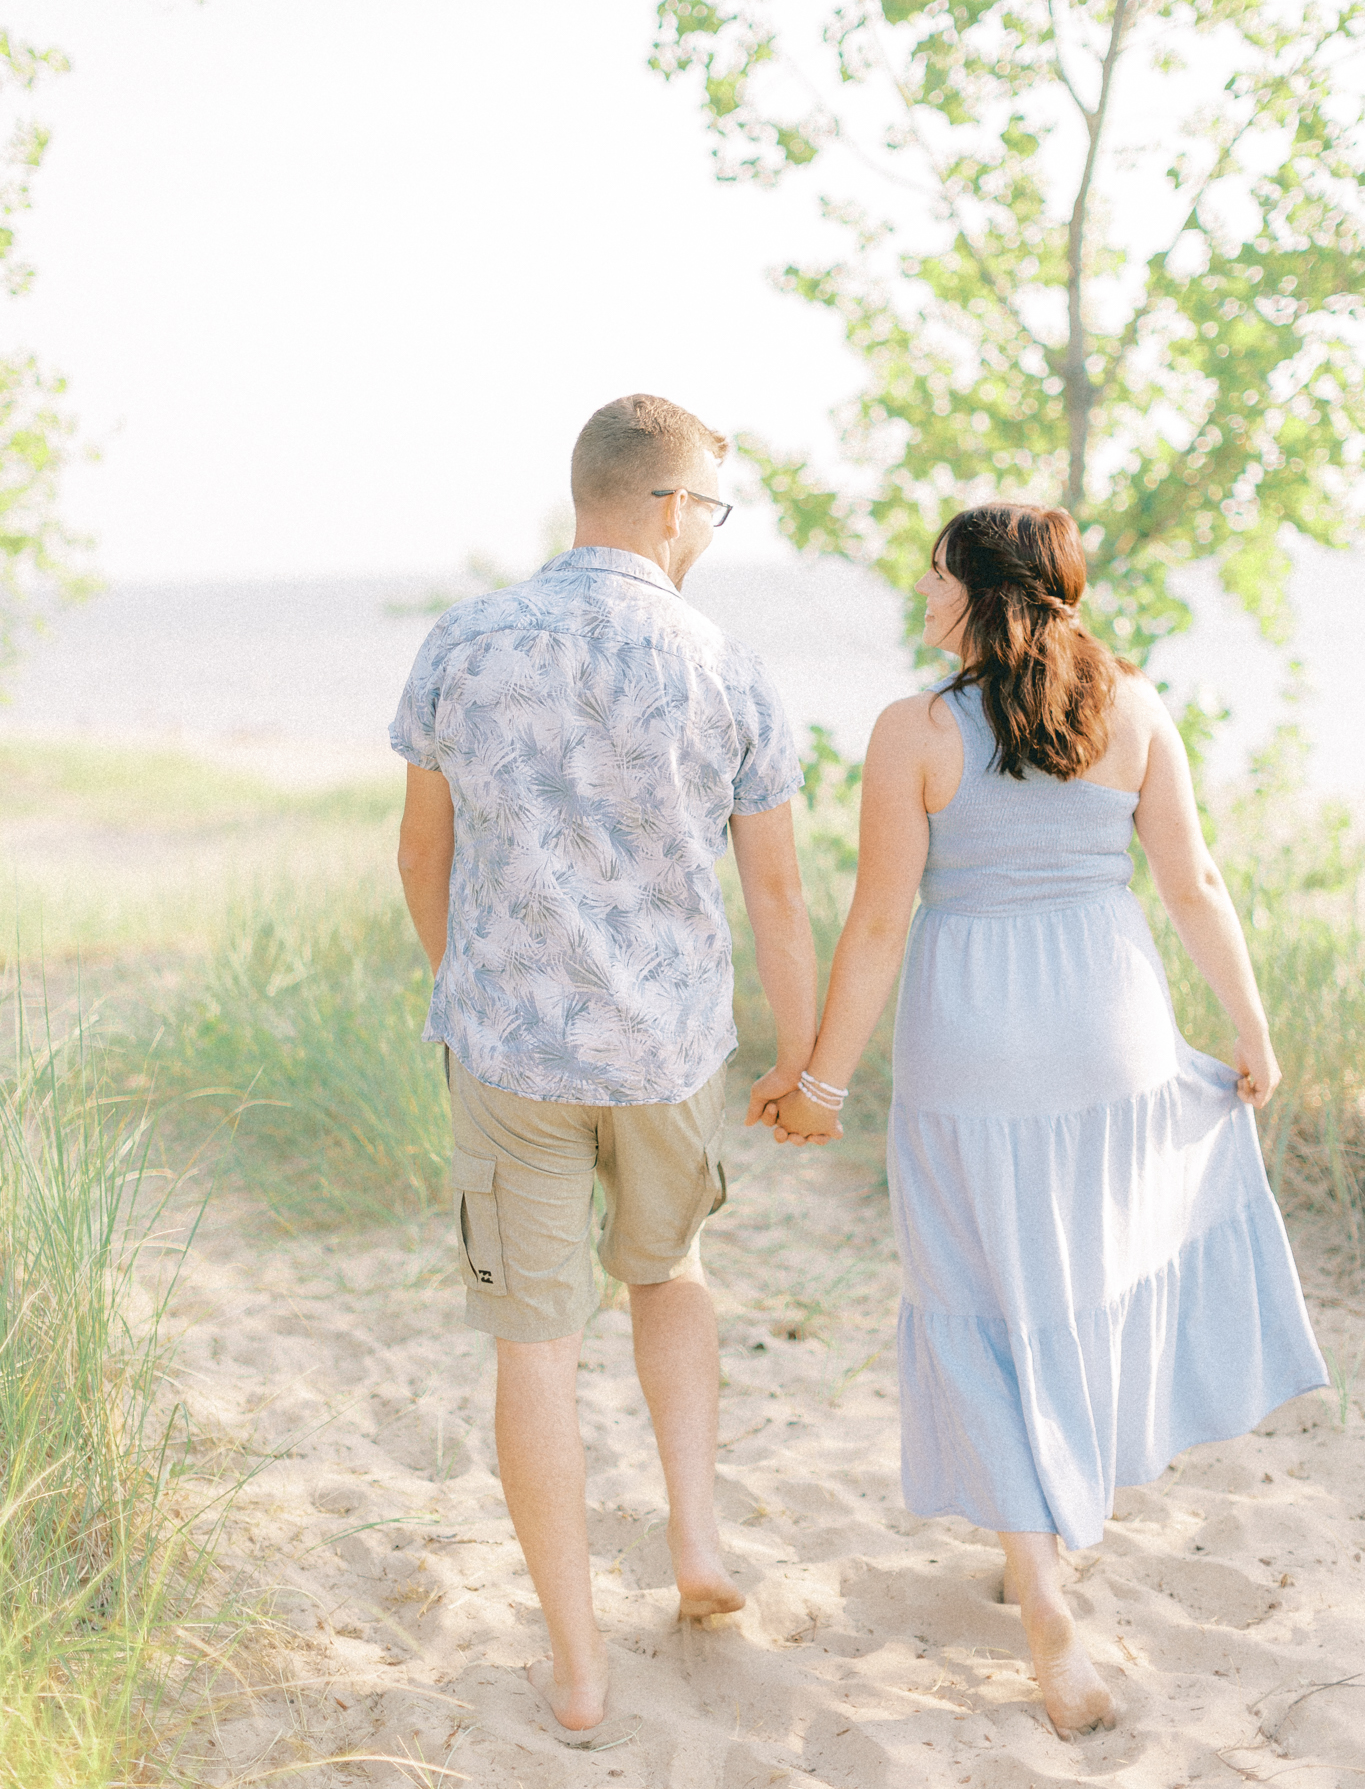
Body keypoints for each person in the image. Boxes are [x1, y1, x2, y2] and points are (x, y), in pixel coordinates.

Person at [750, 502, 1327, 1741]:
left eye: (936, 569)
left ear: (985, 587)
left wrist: (824, 1084)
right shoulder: (1137, 703)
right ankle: (1051, 1524)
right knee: (1078, 1276)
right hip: (1109, 1026)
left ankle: (1048, 1603)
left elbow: (880, 926)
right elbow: (1193, 882)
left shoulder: (914, 729)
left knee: (976, 1298)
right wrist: (1253, 1027)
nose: (919, 583)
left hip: (977, 1041)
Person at [390, 393, 816, 1733]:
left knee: (535, 1344)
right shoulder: (726, 665)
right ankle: (695, 1539)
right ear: (670, 506)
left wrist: (472, 981)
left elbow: (421, 856)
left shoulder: (466, 641)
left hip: (510, 1049)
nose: (713, 534)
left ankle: (575, 1670)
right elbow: (781, 899)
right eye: (714, 510)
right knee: (669, 1268)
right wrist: (802, 1061)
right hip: (667, 1050)